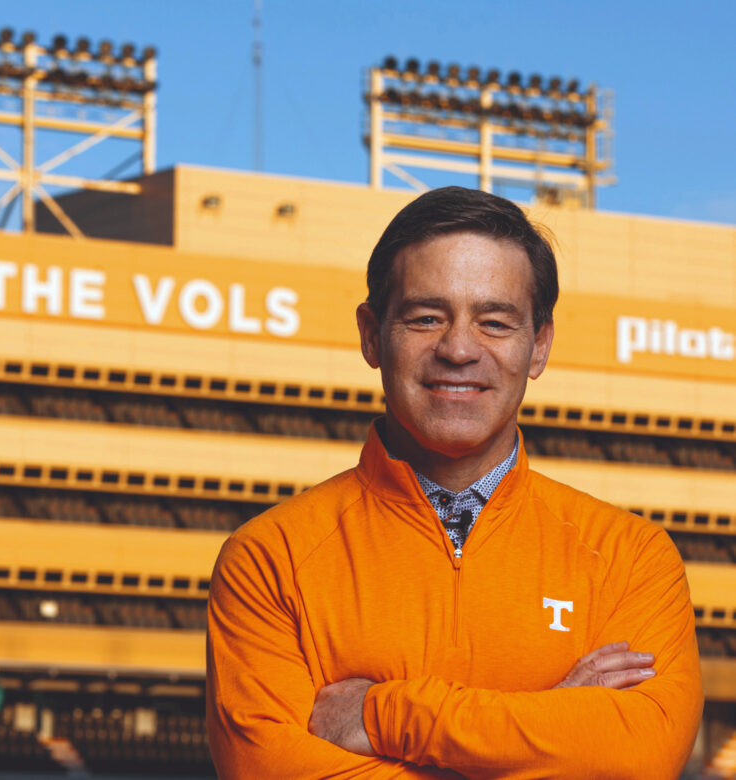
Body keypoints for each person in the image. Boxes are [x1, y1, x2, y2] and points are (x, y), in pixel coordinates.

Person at [205, 186, 702, 779]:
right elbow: (269, 771)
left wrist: (382, 713)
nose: (459, 349)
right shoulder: (269, 559)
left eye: (494, 322)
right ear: (371, 334)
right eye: (426, 318)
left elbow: (640, 758)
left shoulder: (631, 559)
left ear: (538, 345)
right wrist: (550, 725)